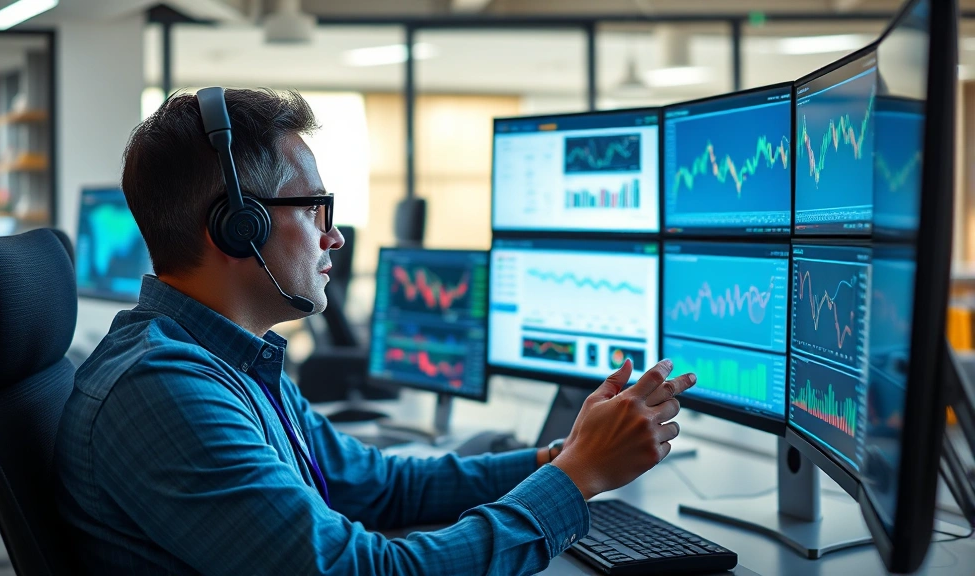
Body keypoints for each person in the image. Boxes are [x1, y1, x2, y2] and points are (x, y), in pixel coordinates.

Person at [54, 88, 697, 575]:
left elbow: (382, 486)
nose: (334, 236)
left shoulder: (230, 362)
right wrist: (577, 480)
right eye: (315, 209)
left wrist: (559, 457)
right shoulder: (165, 390)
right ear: (238, 228)